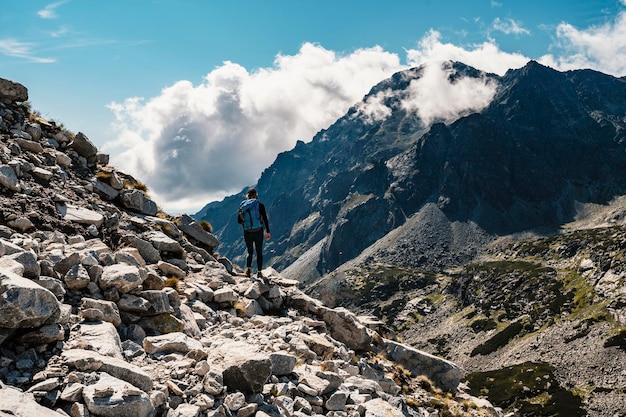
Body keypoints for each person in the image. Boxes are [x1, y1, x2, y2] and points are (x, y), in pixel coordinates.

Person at [237, 188, 271, 280]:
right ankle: (259, 272)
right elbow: (265, 219)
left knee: (250, 251)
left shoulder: (243, 206)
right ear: (256, 195)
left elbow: (239, 221)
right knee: (259, 252)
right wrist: (267, 231)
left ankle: (248, 270)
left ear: (247, 196)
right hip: (259, 231)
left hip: (247, 232)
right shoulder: (260, 205)